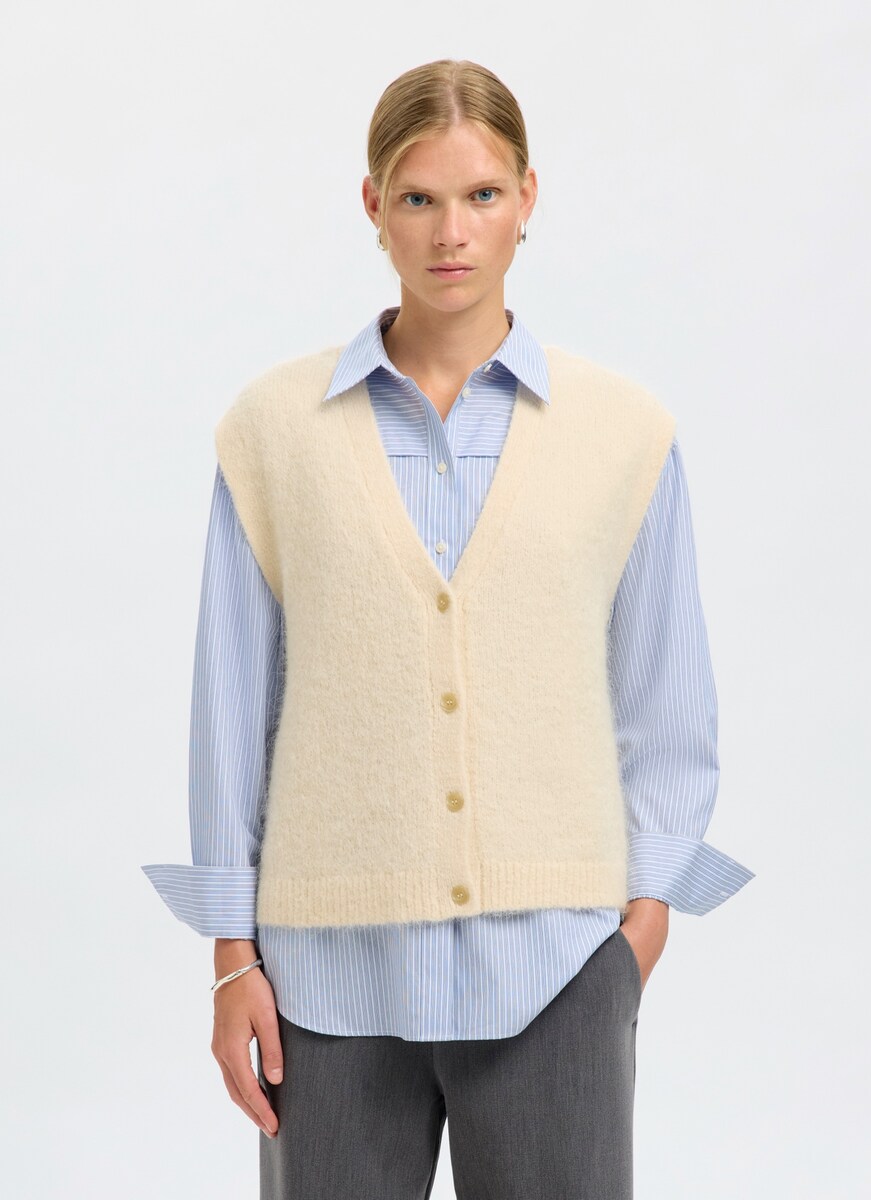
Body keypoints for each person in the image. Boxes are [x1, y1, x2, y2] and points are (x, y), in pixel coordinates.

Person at [142, 58, 754, 1200]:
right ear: (373, 206)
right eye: (419, 198)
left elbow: (666, 699)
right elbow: (230, 706)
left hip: (558, 970)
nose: (452, 232)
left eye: (481, 195)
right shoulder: (272, 433)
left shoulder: (624, 434)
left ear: (529, 198)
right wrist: (231, 958)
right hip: (324, 981)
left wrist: (638, 932)